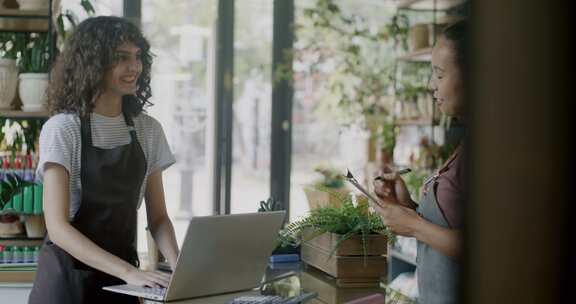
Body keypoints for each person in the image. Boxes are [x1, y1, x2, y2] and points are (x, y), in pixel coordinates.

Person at [28, 16, 179, 304]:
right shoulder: (63, 129)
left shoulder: (148, 130)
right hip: (67, 284)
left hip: (124, 283)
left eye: (137, 57)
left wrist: (179, 266)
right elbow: (58, 228)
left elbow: (158, 219)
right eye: (121, 58)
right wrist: (130, 273)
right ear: (93, 63)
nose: (134, 67)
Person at [372, 20, 467, 304]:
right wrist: (407, 206)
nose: (430, 85)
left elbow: (493, 251)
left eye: (439, 74)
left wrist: (414, 225)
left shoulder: (497, 150)